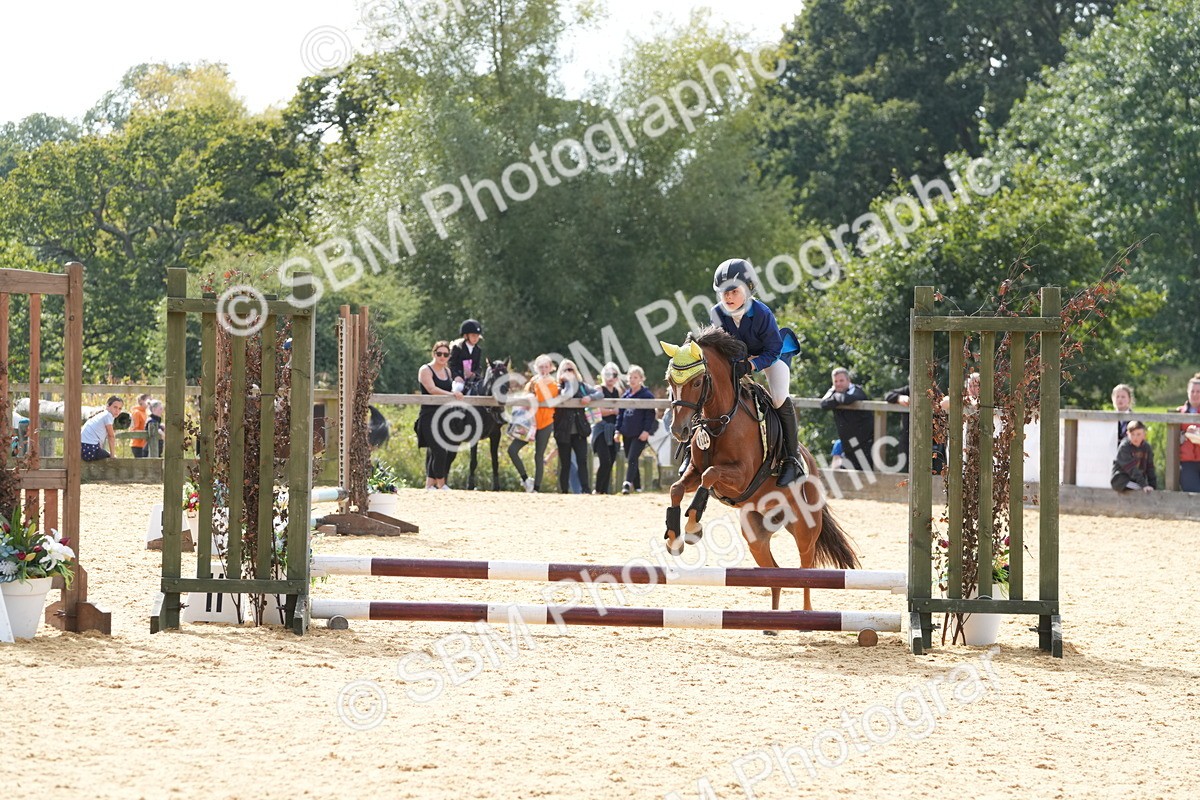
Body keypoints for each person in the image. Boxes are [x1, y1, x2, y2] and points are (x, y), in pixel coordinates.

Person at [708, 258, 803, 485]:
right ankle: (693, 452)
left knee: (779, 398)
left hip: (770, 357)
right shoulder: (717, 313)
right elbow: (718, 346)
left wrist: (751, 365)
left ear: (748, 289)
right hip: (738, 358)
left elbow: (773, 349)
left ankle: (792, 459)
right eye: (723, 293)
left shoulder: (762, 313)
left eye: (733, 291)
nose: (728, 297)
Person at [416, 341, 464, 490]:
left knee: (440, 451)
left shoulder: (448, 372)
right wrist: (452, 394)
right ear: (434, 354)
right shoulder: (425, 369)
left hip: (443, 416)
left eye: (445, 354)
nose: (442, 357)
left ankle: (429, 485)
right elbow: (431, 389)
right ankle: (441, 484)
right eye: (439, 354)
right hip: (428, 416)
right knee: (439, 450)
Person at [508, 354, 558, 492]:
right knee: (512, 450)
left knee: (539, 455)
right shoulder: (532, 382)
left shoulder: (553, 383)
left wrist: (538, 382)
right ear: (536, 368)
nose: (543, 369)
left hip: (545, 423)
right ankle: (525, 479)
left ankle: (536, 488)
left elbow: (543, 397)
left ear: (551, 368)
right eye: (540, 367)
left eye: (546, 366)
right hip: (529, 424)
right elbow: (526, 399)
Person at [552, 359, 602, 494]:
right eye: (565, 370)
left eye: (571, 370)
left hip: (580, 430)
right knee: (565, 463)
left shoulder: (582, 386)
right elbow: (565, 396)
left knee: (582, 461)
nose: (568, 373)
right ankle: (564, 490)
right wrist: (567, 382)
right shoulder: (558, 387)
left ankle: (586, 489)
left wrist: (590, 397)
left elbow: (600, 393)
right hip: (563, 431)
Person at [820, 367, 873, 470]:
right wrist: (833, 392)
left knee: (867, 478)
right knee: (844, 478)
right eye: (835, 381)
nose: (838, 384)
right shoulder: (834, 391)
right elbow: (823, 404)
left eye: (841, 380)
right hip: (848, 446)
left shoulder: (858, 391)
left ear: (849, 381)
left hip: (865, 445)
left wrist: (835, 397)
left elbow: (847, 399)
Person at [616, 365, 657, 493]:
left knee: (633, 457)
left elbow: (650, 416)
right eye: (630, 377)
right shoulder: (625, 396)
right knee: (632, 459)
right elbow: (620, 415)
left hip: (640, 434)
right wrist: (617, 430)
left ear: (641, 379)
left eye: (635, 377)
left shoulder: (647, 395)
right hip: (627, 432)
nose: (632, 379)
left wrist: (646, 431)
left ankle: (627, 484)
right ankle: (638, 488)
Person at [591, 363, 623, 494]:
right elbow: (598, 411)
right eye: (608, 374)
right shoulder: (599, 389)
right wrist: (612, 411)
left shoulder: (618, 391)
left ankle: (604, 491)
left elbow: (620, 411)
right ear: (603, 375)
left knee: (611, 461)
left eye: (614, 375)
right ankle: (597, 490)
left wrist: (611, 411)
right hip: (601, 429)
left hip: (614, 430)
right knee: (605, 460)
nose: (611, 378)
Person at [1111, 420, 1157, 493]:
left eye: (1138, 434)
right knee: (1142, 490)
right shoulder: (1124, 447)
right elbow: (1132, 469)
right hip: (1122, 481)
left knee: (1149, 490)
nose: (1135, 437)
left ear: (1144, 435)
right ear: (1127, 434)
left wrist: (1153, 486)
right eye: (1132, 434)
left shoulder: (1147, 447)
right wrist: (1144, 485)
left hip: (1136, 481)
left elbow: (1150, 468)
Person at [1177, 373, 1200, 493]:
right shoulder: (1179, 412)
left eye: (1198, 391)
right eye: (1193, 391)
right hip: (1187, 461)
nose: (1195, 394)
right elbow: (1173, 438)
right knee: (1193, 492)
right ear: (1188, 392)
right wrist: (1186, 433)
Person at [81, 396, 123, 461]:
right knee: (110, 459)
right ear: (108, 406)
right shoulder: (108, 416)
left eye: (120, 408)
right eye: (115, 407)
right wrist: (112, 455)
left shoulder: (102, 414)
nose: (117, 410)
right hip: (89, 448)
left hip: (82, 447)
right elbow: (111, 436)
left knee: (104, 454)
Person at [448, 319, 484, 393]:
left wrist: (474, 374)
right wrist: (456, 376)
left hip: (472, 379)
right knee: (458, 388)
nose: (476, 338)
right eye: (473, 335)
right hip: (459, 379)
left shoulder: (478, 350)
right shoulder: (457, 348)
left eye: (477, 336)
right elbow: (451, 364)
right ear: (466, 335)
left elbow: (478, 366)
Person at [130, 393, 150, 458]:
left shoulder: (145, 412)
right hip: (137, 445)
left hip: (144, 444)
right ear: (141, 401)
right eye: (148, 400)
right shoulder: (136, 413)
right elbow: (134, 429)